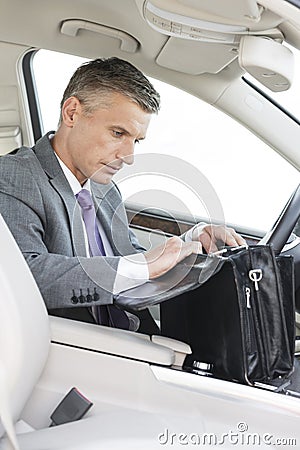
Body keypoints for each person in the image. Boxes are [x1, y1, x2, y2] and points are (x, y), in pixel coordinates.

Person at [0, 57, 245, 333]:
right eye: (118, 133)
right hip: (79, 351)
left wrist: (188, 245)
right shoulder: (15, 176)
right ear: (72, 113)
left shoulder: (105, 188)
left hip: (135, 338)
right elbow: (25, 276)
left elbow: (129, 259)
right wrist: (138, 267)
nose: (128, 157)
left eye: (136, 141)